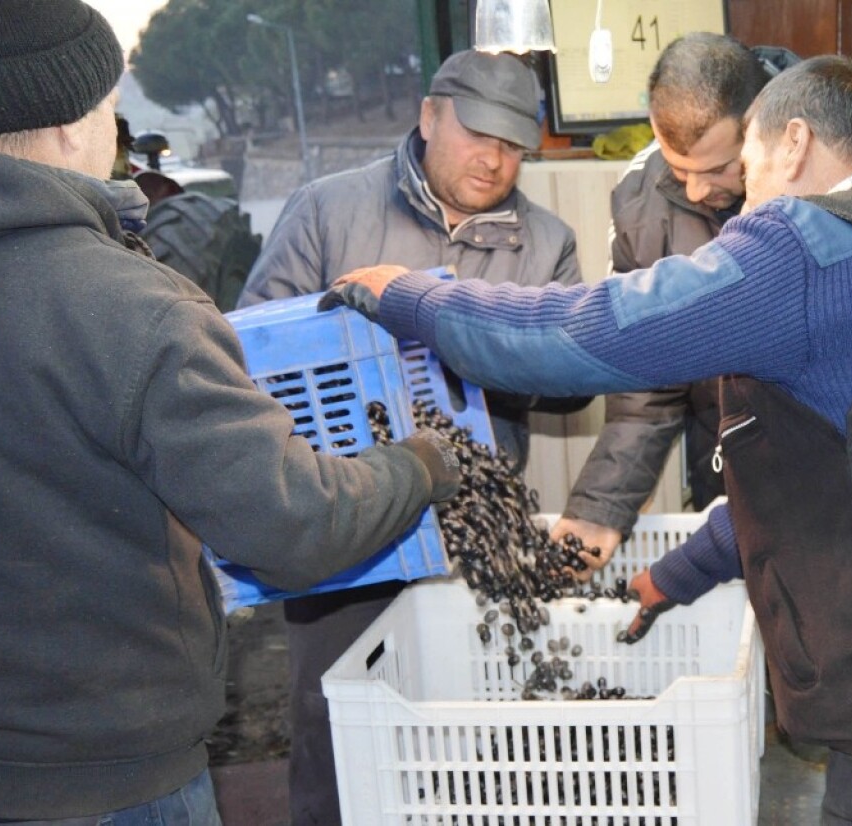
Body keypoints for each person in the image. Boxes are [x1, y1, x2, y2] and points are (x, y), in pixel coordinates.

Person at [322, 56, 852, 825]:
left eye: (747, 162)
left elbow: (584, 334)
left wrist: (413, 297)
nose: (735, 196)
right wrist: (677, 575)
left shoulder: (808, 249)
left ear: (795, 143)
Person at [0, 1, 460, 823]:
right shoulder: (128, 306)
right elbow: (292, 528)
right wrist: (417, 465)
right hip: (108, 784)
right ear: (75, 123)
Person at [237, 48, 587, 825]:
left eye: (512, 145)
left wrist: (478, 335)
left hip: (471, 523)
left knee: (473, 725)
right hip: (348, 520)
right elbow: (251, 349)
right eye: (477, 135)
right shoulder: (329, 210)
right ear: (429, 116)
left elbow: (571, 381)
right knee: (339, 719)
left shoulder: (548, 243)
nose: (494, 160)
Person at [554, 33, 852, 563]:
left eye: (717, 170)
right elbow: (646, 378)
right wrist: (602, 504)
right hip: (735, 479)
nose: (694, 191)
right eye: (679, 170)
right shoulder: (641, 194)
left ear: (773, 132)